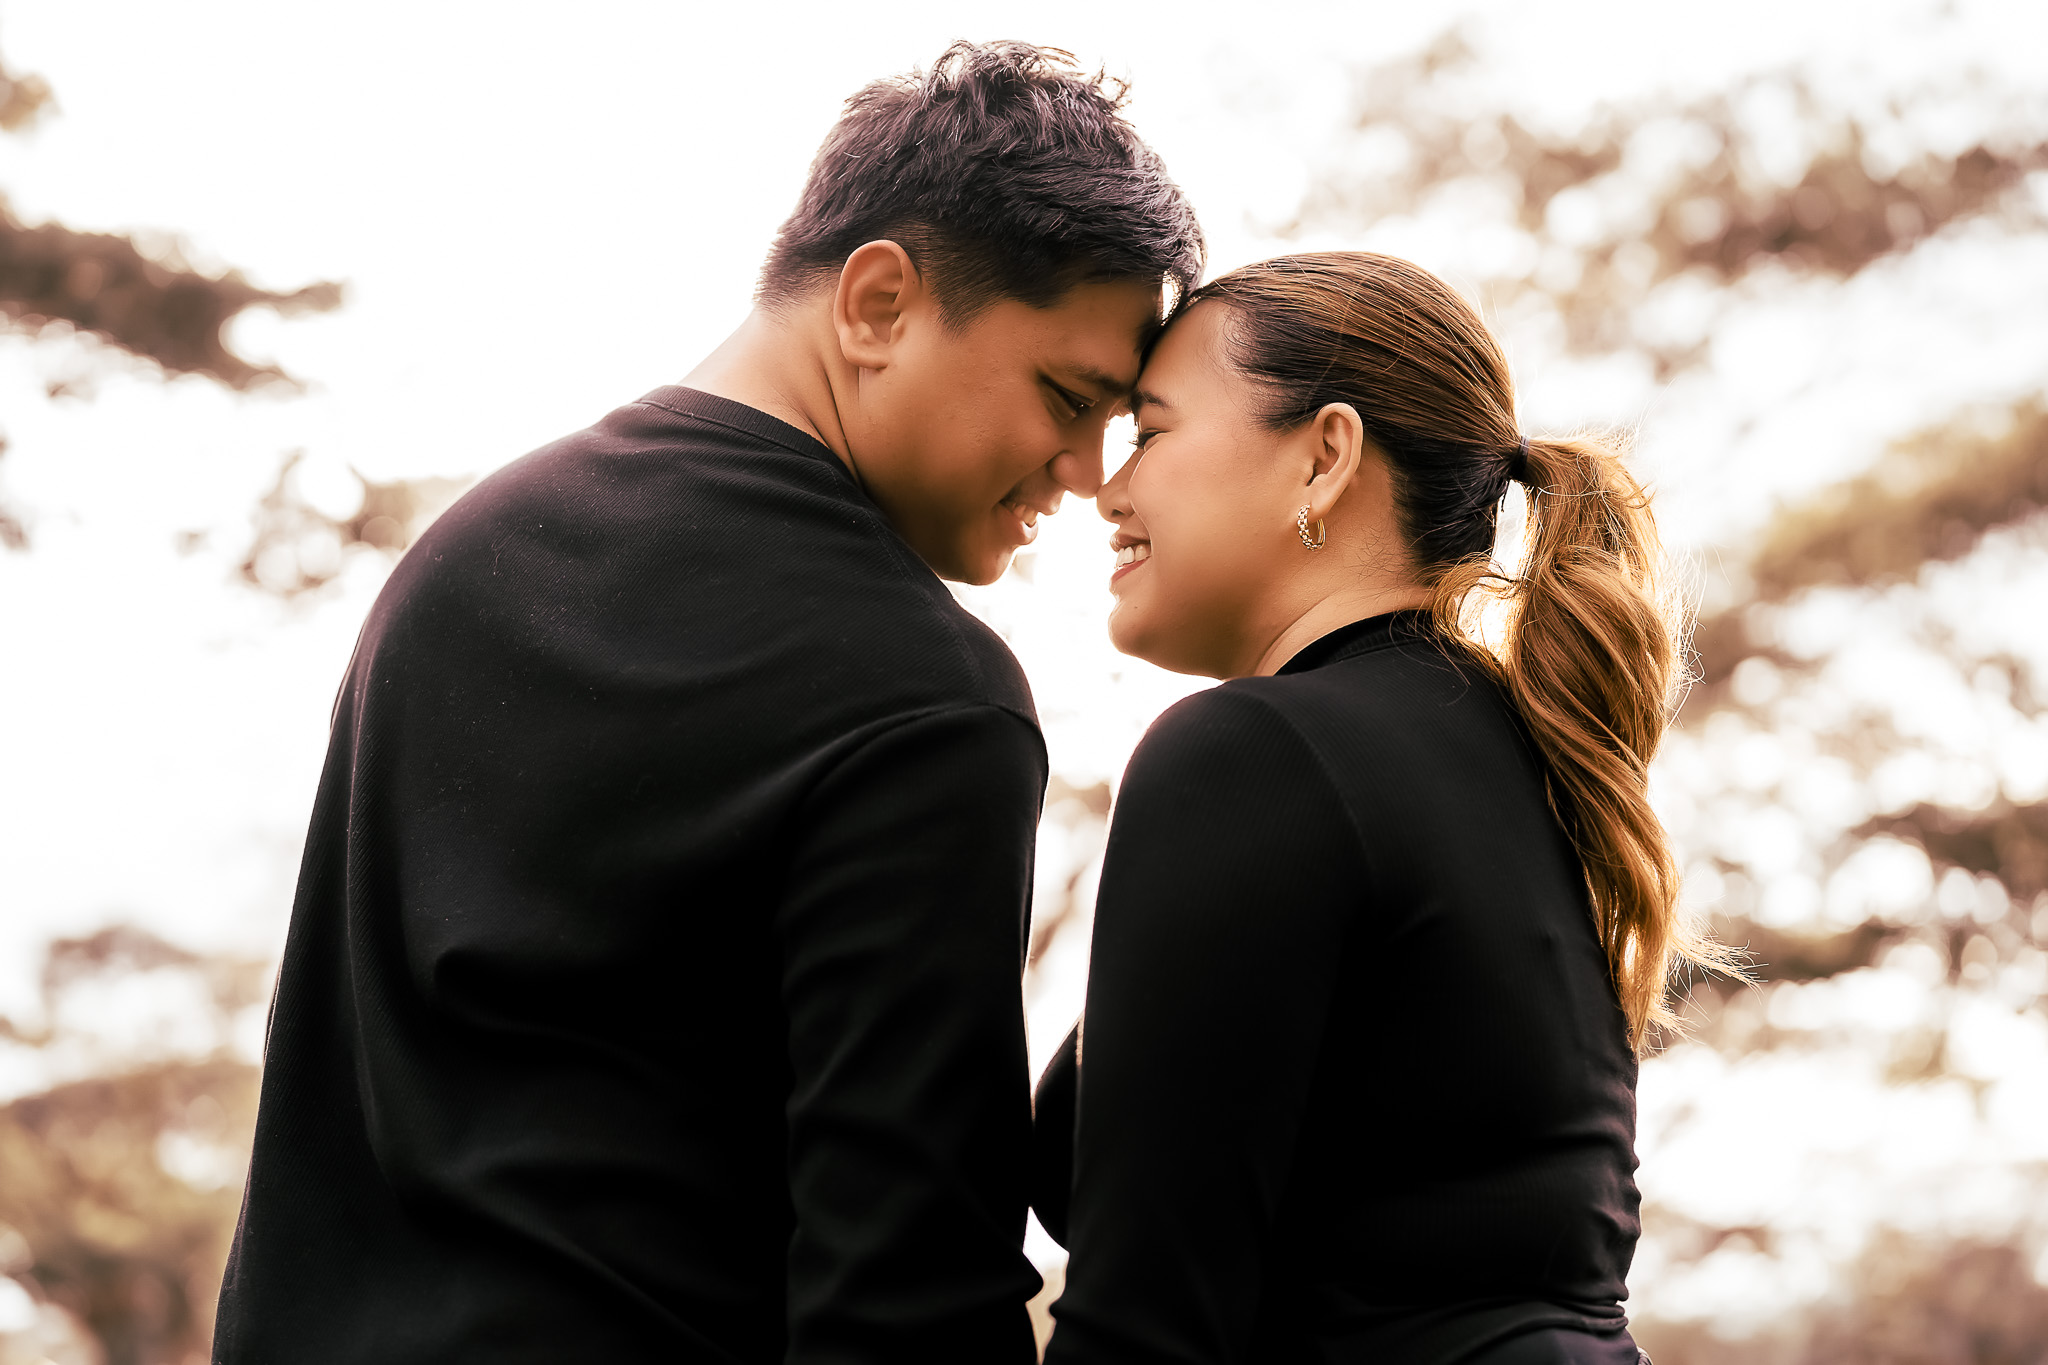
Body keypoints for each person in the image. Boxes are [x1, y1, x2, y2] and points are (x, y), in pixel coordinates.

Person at [214, 41, 1202, 1365]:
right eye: (1068, 397)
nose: (1087, 472)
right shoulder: (920, 697)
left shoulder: (462, 557)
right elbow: (902, 1298)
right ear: (878, 303)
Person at [1032, 252, 1730, 1365]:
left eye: (1151, 432)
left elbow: (1141, 1333)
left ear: (1324, 457)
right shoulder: (1537, 753)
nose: (1106, 488)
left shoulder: (1252, 756)